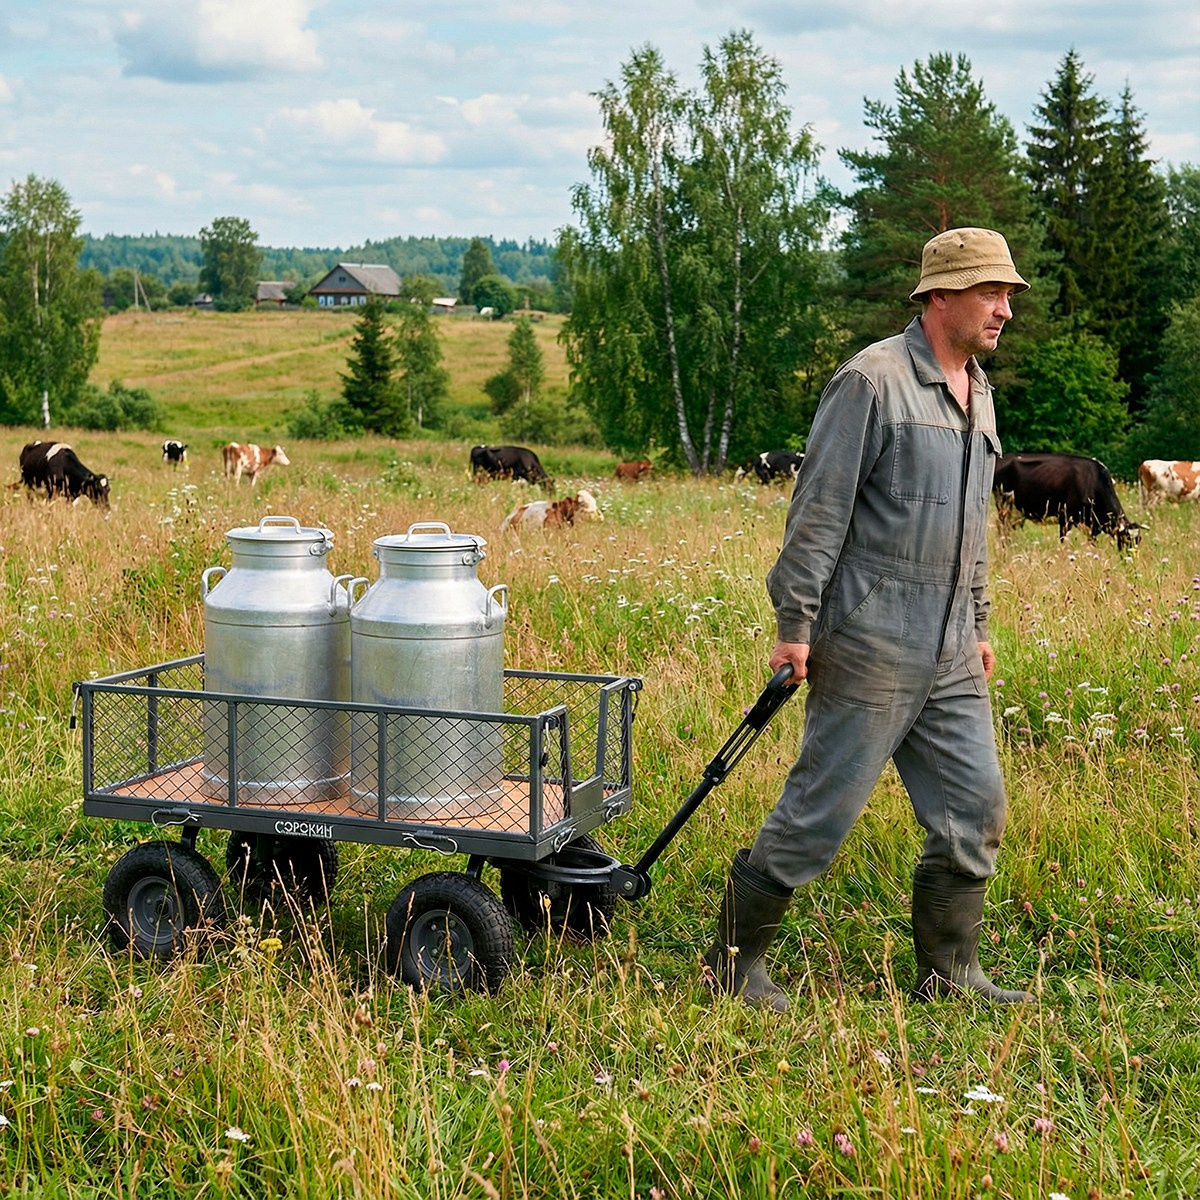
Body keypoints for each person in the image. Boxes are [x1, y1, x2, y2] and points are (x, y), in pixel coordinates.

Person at [705, 227, 1033, 1011]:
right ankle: (732, 965)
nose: (1005, 310)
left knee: (975, 811)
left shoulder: (978, 389)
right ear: (940, 295)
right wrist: (796, 621)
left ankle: (949, 974)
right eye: (992, 292)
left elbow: (972, 525)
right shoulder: (872, 380)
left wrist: (979, 622)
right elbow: (818, 512)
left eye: (1010, 295)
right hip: (872, 640)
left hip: (952, 647)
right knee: (819, 816)